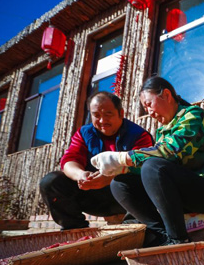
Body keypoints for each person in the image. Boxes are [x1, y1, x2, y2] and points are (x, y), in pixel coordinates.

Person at [91, 76, 204, 246]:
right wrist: (117, 170)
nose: (149, 112)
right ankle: (160, 235)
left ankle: (177, 238)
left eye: (149, 104)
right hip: (184, 195)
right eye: (145, 108)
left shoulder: (193, 115)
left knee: (152, 166)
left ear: (166, 95)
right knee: (120, 183)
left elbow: (170, 152)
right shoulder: (162, 131)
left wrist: (121, 158)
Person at [39, 91, 154, 229]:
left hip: (128, 199)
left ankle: (133, 228)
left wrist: (108, 178)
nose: (102, 121)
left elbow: (142, 168)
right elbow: (70, 160)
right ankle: (75, 230)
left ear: (121, 113)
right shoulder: (84, 133)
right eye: (96, 115)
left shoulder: (139, 135)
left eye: (108, 114)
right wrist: (81, 176)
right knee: (51, 182)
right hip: (93, 197)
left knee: (137, 176)